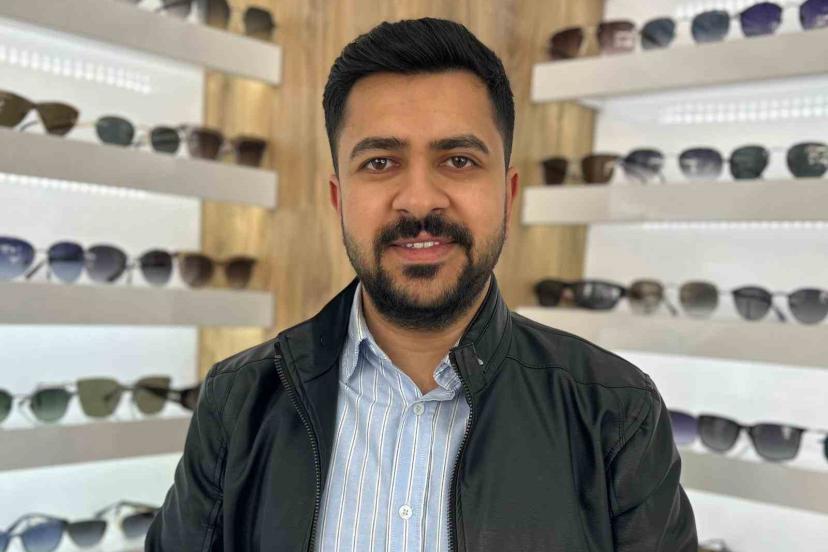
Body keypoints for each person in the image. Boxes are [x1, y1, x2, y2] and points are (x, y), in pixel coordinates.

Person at [146, 17, 697, 552]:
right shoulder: (238, 401)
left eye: (458, 160)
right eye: (380, 162)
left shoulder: (614, 411)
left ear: (507, 193)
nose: (419, 200)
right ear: (339, 199)